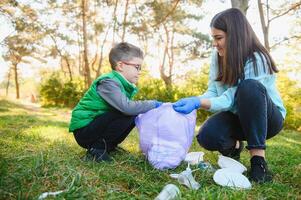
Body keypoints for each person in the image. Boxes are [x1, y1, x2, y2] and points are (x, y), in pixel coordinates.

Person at [172, 8, 286, 183]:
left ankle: (258, 161)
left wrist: (198, 102)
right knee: (207, 135)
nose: (214, 43)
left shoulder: (258, 58)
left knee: (248, 87)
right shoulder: (217, 56)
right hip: (238, 116)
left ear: (235, 37)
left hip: (267, 120)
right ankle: (234, 149)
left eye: (219, 38)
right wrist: (196, 100)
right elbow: (214, 90)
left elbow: (231, 98)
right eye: (213, 38)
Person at [69, 42, 162, 162]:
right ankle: (97, 148)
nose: (140, 71)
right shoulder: (108, 82)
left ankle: (109, 146)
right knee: (128, 112)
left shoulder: (119, 83)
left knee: (132, 113)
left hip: (94, 127)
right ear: (121, 66)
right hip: (84, 131)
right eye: (137, 67)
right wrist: (153, 104)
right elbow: (126, 107)